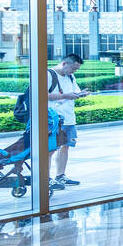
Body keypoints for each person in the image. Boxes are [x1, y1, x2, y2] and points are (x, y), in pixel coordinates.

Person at [47, 52, 89, 189]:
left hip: (69, 118)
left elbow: (73, 92)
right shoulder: (49, 74)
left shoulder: (70, 76)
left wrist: (80, 94)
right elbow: (41, 95)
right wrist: (65, 95)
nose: (74, 71)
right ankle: (46, 179)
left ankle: (60, 176)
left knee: (65, 147)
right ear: (64, 64)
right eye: (73, 68)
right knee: (50, 149)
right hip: (54, 119)